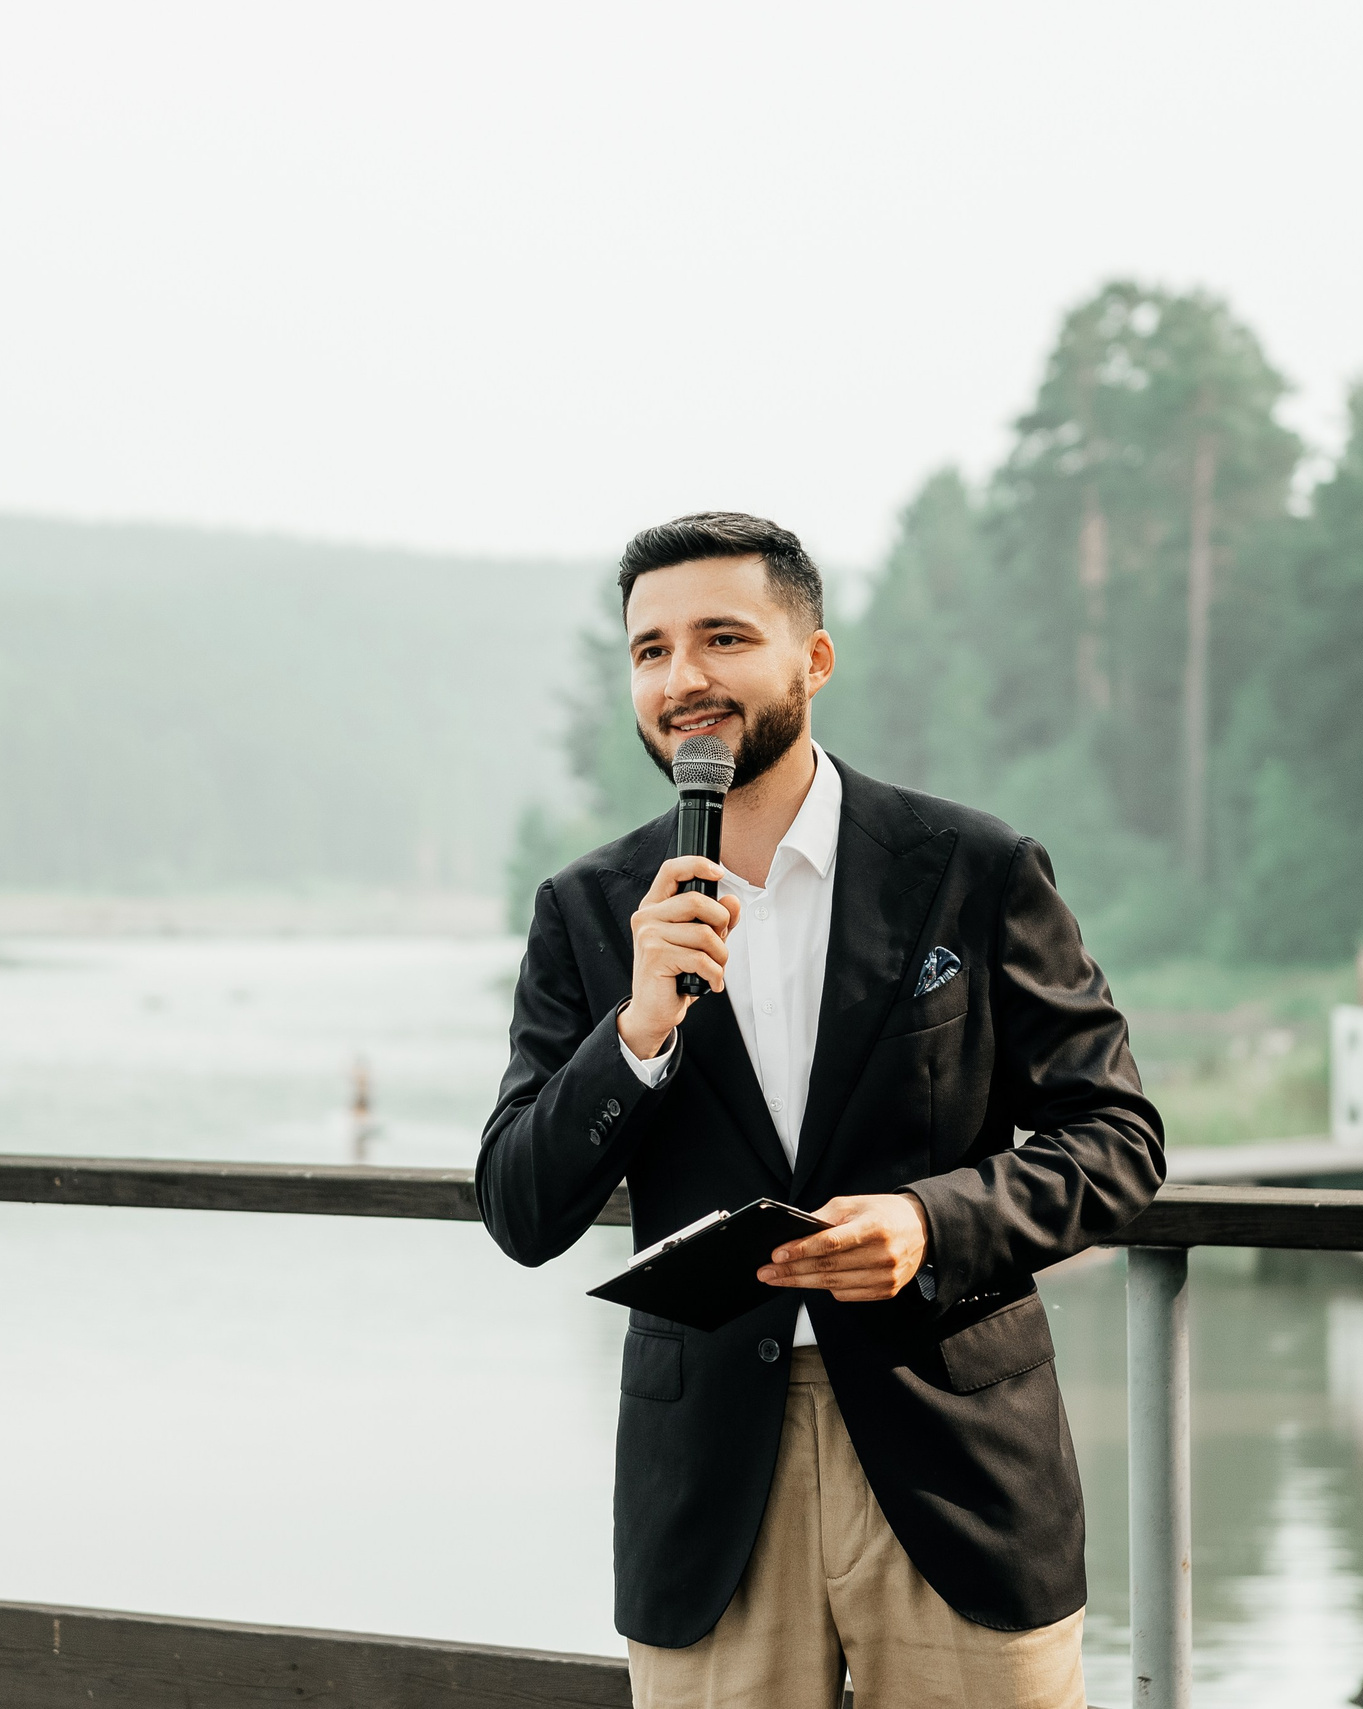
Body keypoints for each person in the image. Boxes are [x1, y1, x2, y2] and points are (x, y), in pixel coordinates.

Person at [478, 512, 1165, 1709]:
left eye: (722, 637)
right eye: (649, 650)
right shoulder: (589, 908)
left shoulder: (973, 865)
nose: (682, 677)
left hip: (958, 1466)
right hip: (706, 1489)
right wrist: (635, 1029)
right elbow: (522, 1207)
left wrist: (931, 1222)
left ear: (813, 659)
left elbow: (1115, 1139)